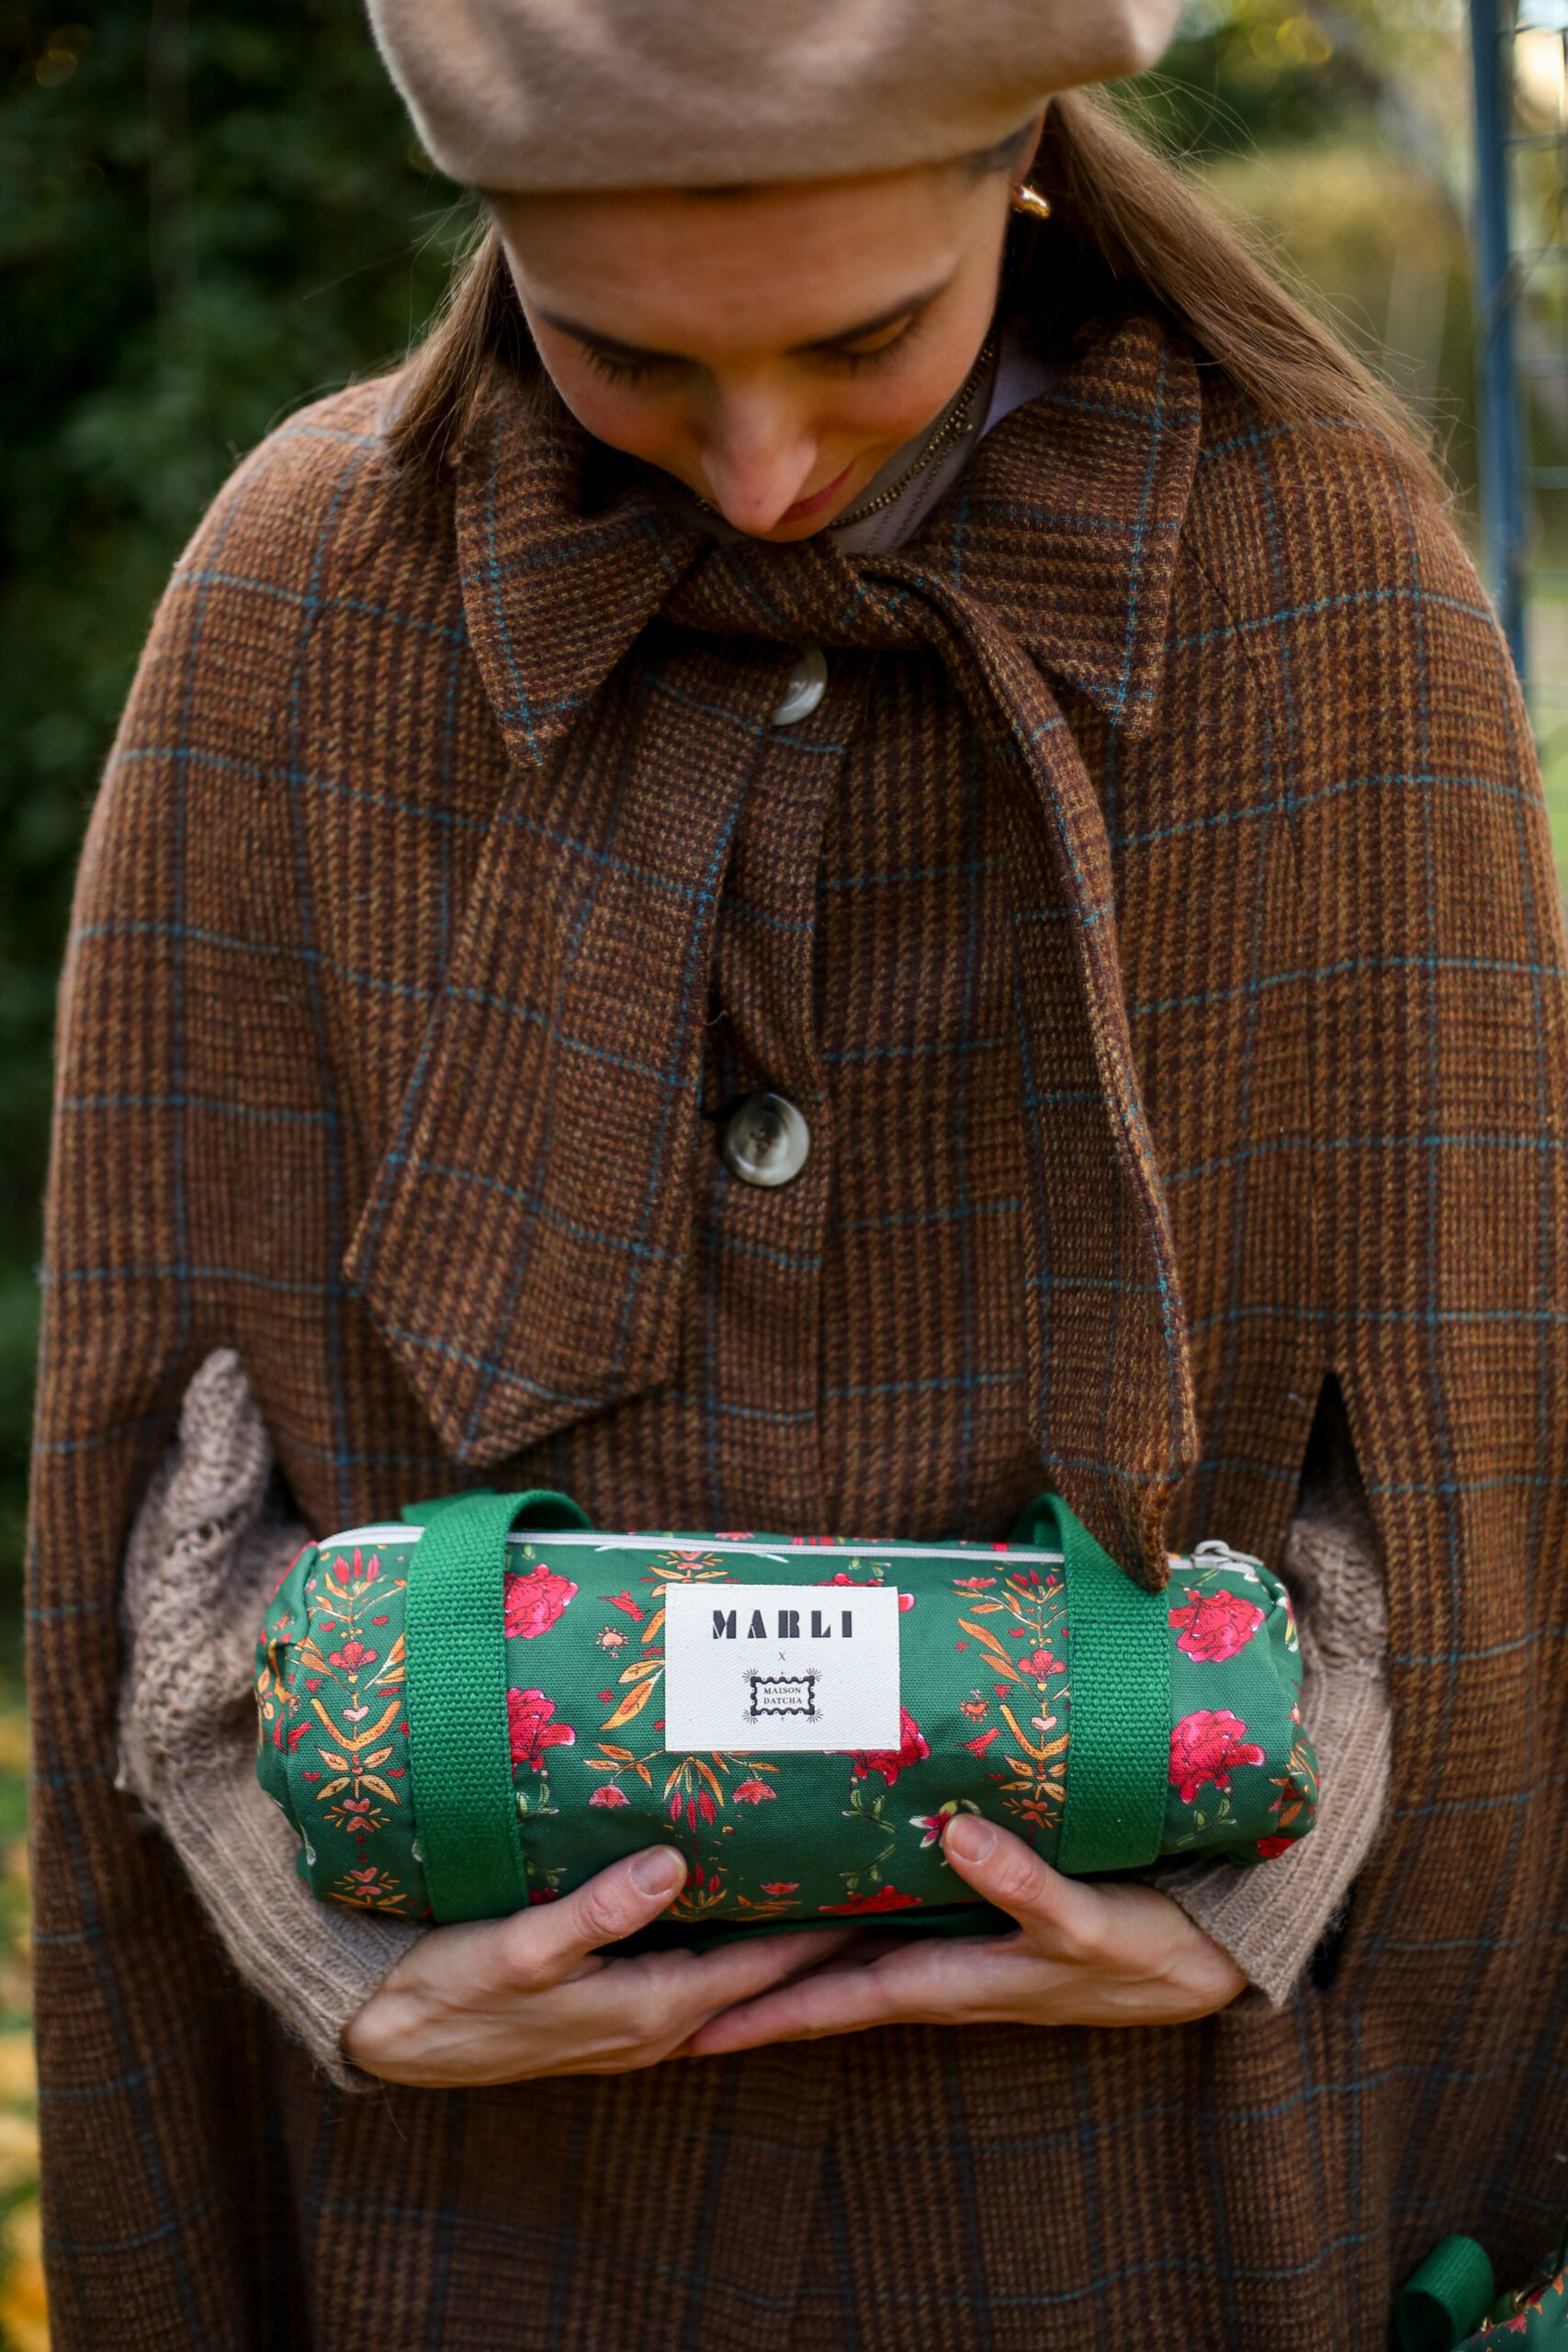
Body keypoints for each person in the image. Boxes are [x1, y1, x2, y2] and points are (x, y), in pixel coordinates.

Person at [30, 1, 1567, 2345]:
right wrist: (311, 1931)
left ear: (1022, 166)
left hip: (1144, 2188)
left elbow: (1474, 1410)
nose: (758, 472)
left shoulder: (1314, 584)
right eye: (627, 357)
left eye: (860, 341)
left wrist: (1264, 1873)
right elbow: (149, 1442)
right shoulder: (305, 603)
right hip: (489, 2214)